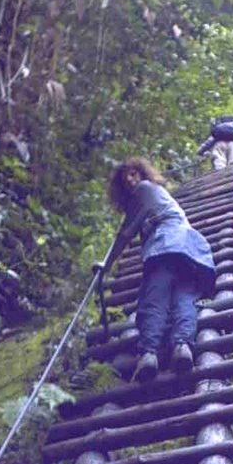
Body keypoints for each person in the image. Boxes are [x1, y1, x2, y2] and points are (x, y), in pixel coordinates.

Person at [97, 157, 215, 381]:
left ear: (142, 174)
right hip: (189, 248)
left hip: (165, 244)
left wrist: (106, 266)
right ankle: (182, 346)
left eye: (133, 175)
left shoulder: (144, 190)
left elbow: (125, 234)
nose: (131, 181)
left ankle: (149, 354)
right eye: (126, 180)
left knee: (155, 298)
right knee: (184, 296)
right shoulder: (158, 195)